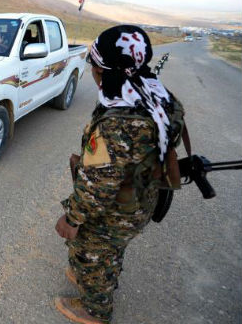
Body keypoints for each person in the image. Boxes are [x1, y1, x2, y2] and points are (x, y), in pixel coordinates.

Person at [54, 25, 185, 323]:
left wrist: (72, 218)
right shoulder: (157, 97)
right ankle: (94, 274)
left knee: (93, 252)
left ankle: (95, 310)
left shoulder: (117, 124)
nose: (92, 71)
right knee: (111, 249)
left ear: (104, 72)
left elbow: (98, 189)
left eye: (94, 65)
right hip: (141, 201)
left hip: (115, 211)